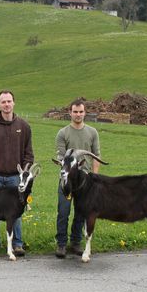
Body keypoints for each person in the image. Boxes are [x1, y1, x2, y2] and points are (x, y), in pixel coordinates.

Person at [0, 90, 34, 257]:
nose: (7, 104)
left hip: (15, 179)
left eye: (9, 101)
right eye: (3, 102)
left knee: (16, 212)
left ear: (14, 103)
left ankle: (17, 244)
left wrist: (24, 172)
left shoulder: (23, 126)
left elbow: (29, 153)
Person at [55, 98, 101, 258]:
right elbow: (61, 158)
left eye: (81, 112)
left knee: (81, 213)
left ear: (85, 113)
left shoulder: (92, 132)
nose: (78, 114)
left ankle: (75, 243)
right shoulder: (63, 133)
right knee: (63, 211)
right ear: (70, 113)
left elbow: (96, 155)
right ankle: (61, 244)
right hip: (67, 180)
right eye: (75, 111)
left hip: (85, 181)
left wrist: (94, 176)